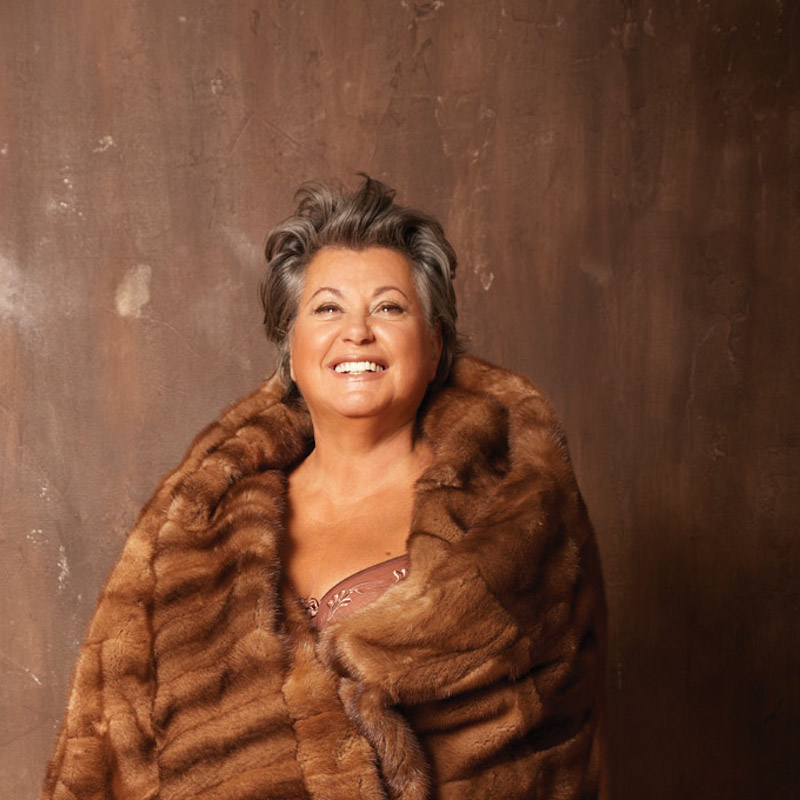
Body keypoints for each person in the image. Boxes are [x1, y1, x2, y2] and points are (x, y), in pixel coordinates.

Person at [42, 176, 607, 799]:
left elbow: (558, 753)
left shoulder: (516, 518)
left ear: (434, 342)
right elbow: (107, 746)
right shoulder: (196, 528)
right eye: (328, 308)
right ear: (291, 349)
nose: (357, 332)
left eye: (389, 308)